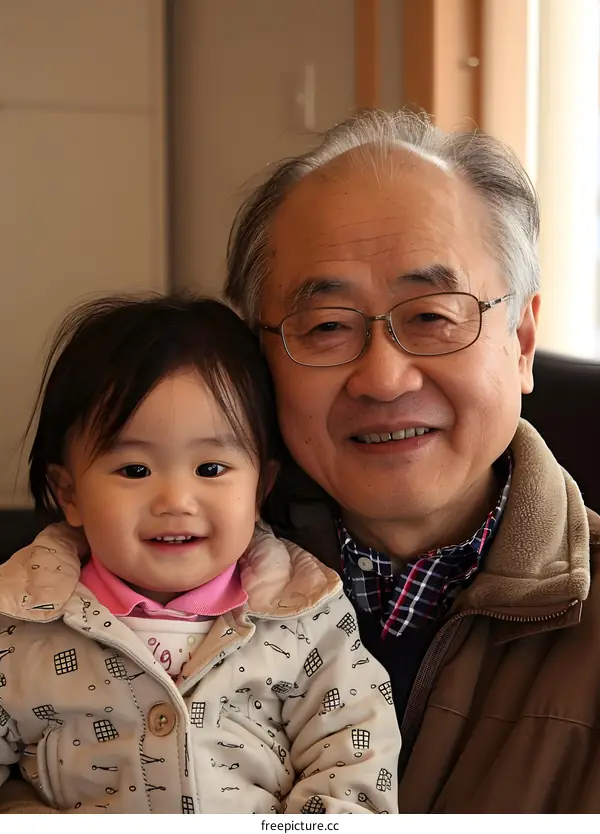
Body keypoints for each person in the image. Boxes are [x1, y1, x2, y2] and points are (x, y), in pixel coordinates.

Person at [224, 109, 600, 813]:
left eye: (431, 315)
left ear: (521, 341)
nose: (384, 379)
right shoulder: (135, 584)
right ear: (259, 360)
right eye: (328, 327)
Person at [0, 295, 399, 814]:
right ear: (69, 492)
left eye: (210, 470)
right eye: (135, 471)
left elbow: (356, 761)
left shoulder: (305, 616)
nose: (174, 502)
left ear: (261, 488)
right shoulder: (20, 621)